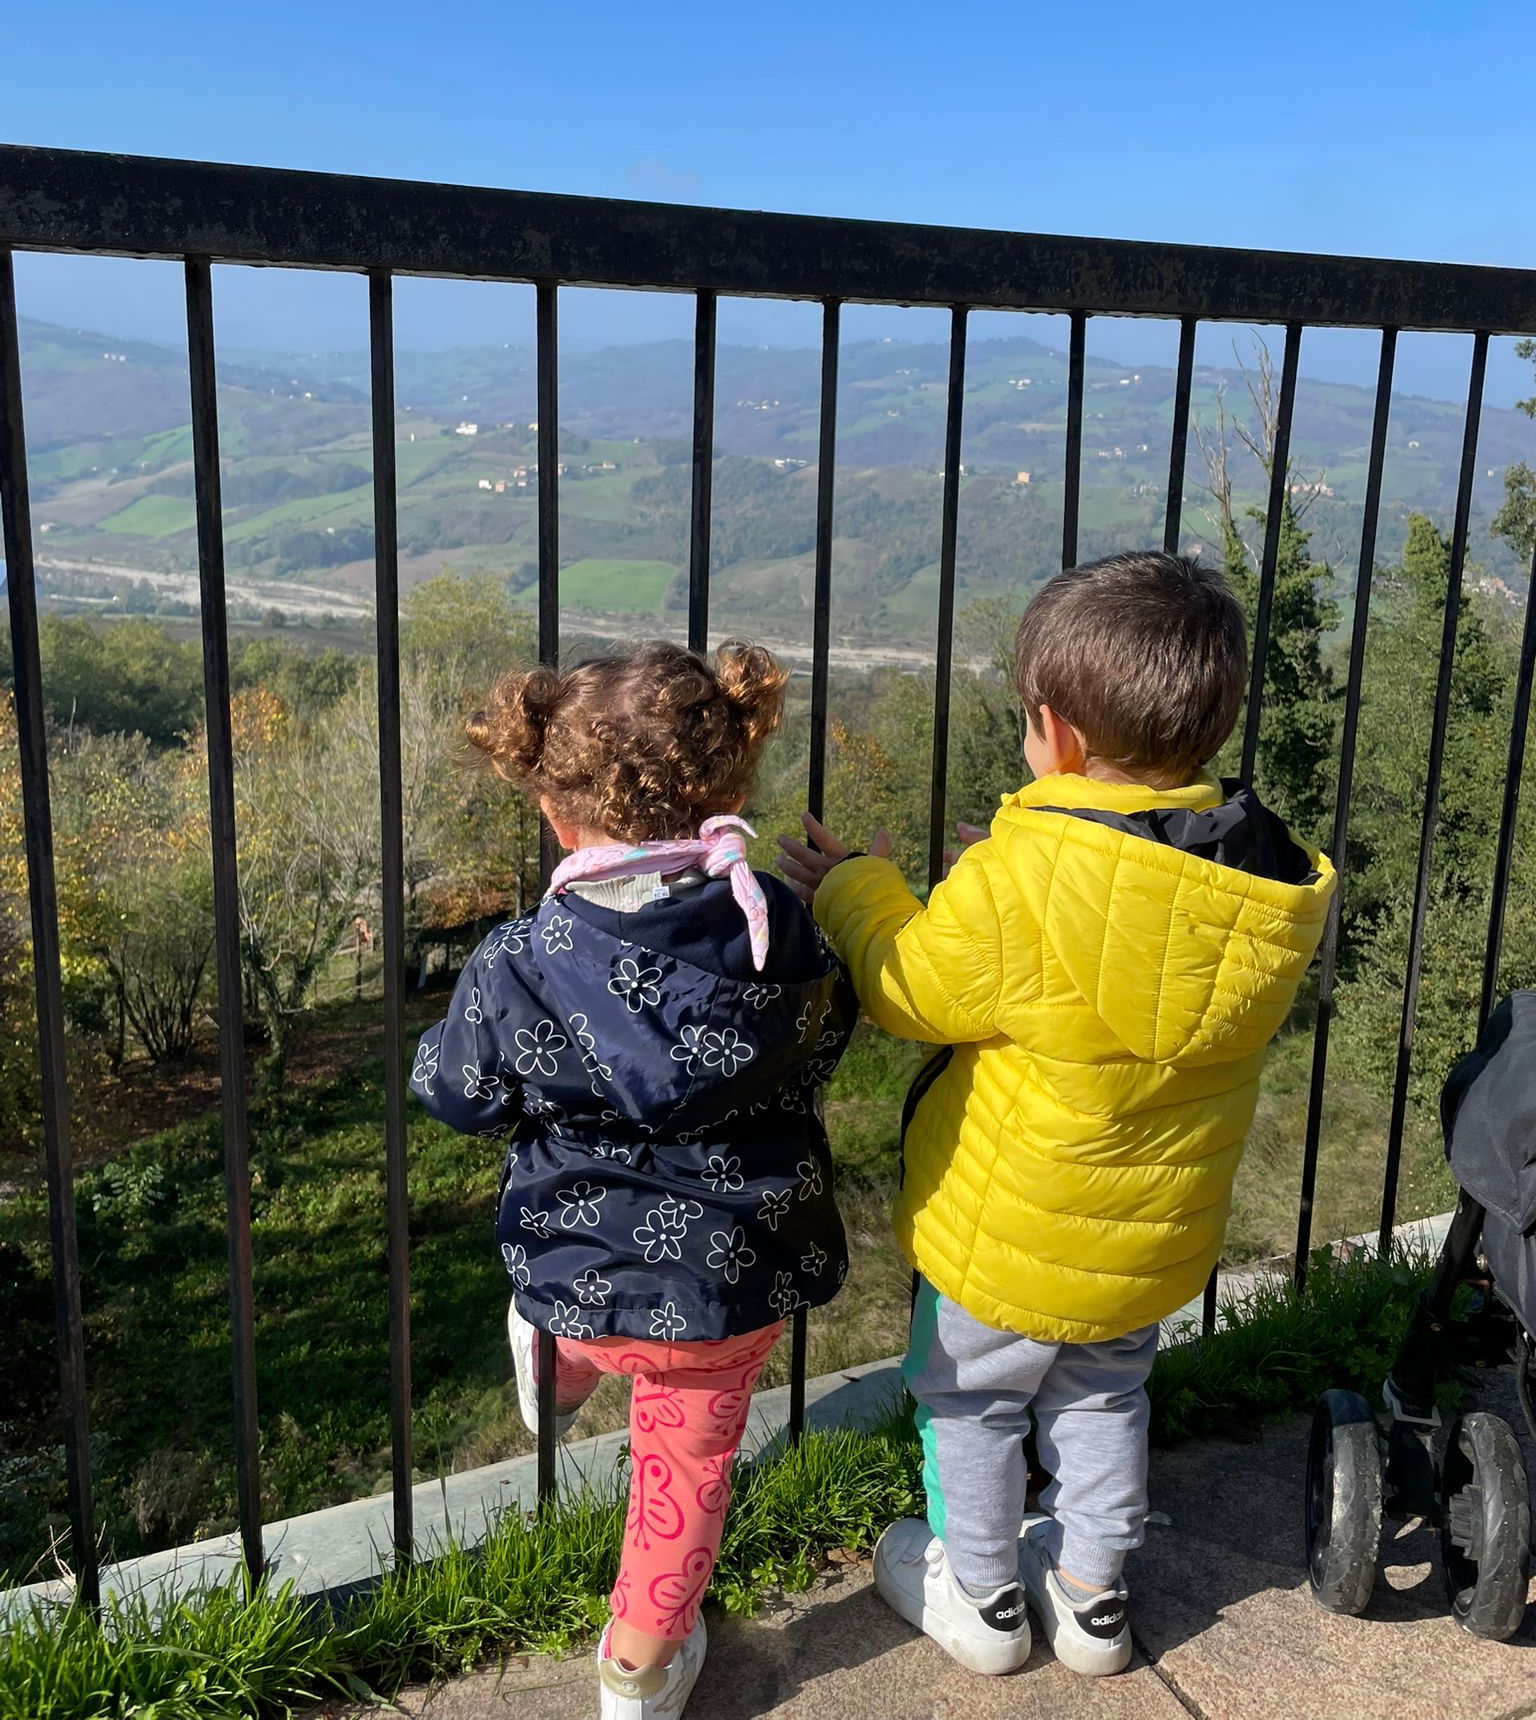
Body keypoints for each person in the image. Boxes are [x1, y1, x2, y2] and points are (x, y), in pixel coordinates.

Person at [778, 551, 1335, 1679]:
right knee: (1106, 1394)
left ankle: (983, 1596)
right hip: (1149, 1241)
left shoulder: (1024, 877)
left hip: (1005, 1238)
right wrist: (1001, 895)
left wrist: (855, 890)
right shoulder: (1261, 878)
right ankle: (1091, 1601)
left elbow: (910, 989)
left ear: (1059, 736)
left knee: (973, 1403)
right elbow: (1125, 950)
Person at [412, 639, 856, 1720]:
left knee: (572, 1317)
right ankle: (640, 1670)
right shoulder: (776, 926)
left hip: (579, 1263)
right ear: (728, 787)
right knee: (683, 1479)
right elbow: (826, 1034)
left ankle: (557, 1362)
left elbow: (457, 1093)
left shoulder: (521, 959)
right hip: (729, 1280)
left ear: (556, 811)